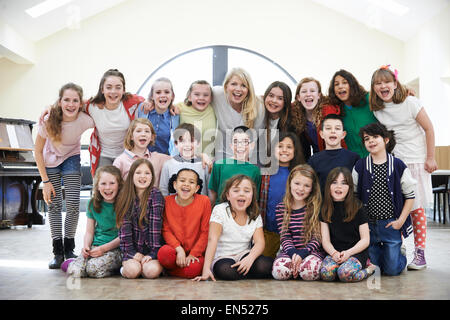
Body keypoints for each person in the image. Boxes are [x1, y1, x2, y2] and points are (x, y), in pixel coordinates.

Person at [369, 65, 437, 270]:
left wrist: (431, 157)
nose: (383, 86)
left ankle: (421, 253)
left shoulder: (410, 102)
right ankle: (399, 247)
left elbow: (429, 128)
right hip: (393, 163)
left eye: (387, 81)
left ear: (395, 83)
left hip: (416, 160)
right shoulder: (376, 107)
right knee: (396, 209)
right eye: (378, 83)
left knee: (416, 209)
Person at [34, 83, 95, 269]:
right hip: (50, 160)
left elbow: (100, 110)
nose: (70, 104)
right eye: (66, 100)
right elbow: (37, 151)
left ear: (80, 102)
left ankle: (69, 248)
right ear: (59, 102)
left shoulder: (85, 119)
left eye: (75, 100)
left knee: (74, 205)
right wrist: (45, 181)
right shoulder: (49, 120)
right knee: (54, 205)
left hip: (71, 158)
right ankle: (57, 252)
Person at [352, 123, 416, 276]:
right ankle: (383, 255)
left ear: (386, 140)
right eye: (367, 139)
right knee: (375, 269)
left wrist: (400, 221)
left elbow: (410, 196)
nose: (371, 141)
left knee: (392, 270)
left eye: (375, 137)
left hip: (390, 224)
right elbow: (353, 195)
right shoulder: (360, 166)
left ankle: (399, 253)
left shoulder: (398, 165)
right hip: (369, 226)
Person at [193, 175, 274, 281]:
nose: (241, 193)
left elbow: (260, 242)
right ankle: (247, 272)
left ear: (252, 195)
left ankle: (244, 269)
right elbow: (212, 240)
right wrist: (206, 269)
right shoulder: (220, 210)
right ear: (228, 195)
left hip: (244, 254)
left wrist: (250, 258)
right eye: (236, 190)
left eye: (247, 191)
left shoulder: (255, 214)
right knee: (225, 270)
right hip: (223, 257)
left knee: (266, 265)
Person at [65, 166, 123, 278]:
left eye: (112, 183)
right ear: (97, 186)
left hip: (115, 249)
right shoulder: (92, 203)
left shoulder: (123, 204)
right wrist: (86, 246)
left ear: (119, 185)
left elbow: (123, 236)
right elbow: (89, 232)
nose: (108, 188)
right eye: (103, 184)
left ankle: (112, 268)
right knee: (74, 271)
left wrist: (103, 249)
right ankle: (79, 264)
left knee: (92, 269)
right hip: (95, 246)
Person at [319, 167, 375, 282]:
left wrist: (349, 253)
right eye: (334, 182)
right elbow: (326, 240)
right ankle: (340, 267)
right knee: (326, 274)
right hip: (335, 252)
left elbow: (365, 240)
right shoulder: (325, 208)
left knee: (344, 274)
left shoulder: (358, 207)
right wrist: (334, 253)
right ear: (328, 186)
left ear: (349, 187)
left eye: (344, 183)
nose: (339, 186)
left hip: (356, 252)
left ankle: (369, 269)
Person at [85, 69, 146, 176]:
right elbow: (72, 104)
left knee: (127, 189)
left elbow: (148, 101)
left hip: (126, 154)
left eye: (118, 87)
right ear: (102, 89)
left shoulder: (130, 103)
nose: (113, 91)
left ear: (123, 90)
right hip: (104, 155)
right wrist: (50, 108)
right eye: (109, 87)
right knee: (102, 185)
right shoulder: (93, 106)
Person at [272, 164, 325, 281]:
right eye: (297, 183)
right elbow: (285, 236)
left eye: (306, 186)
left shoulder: (315, 207)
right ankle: (296, 267)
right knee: (279, 272)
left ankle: (300, 268)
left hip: (311, 251)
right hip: (290, 251)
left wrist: (302, 254)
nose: (301, 189)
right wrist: (293, 254)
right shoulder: (281, 208)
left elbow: (317, 238)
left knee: (309, 272)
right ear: (290, 183)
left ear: (312, 188)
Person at [115, 159, 164, 279]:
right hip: (132, 250)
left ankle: (145, 268)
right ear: (131, 175)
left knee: (151, 272)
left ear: (152, 176)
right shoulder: (124, 196)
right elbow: (124, 232)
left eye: (147, 173)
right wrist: (133, 254)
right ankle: (127, 269)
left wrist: (152, 254)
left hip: (152, 250)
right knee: (132, 271)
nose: (143, 176)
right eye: (138, 173)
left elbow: (155, 230)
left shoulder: (156, 195)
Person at [158, 169, 212, 278]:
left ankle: (170, 271)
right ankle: (177, 267)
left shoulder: (204, 201)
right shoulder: (167, 201)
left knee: (193, 269)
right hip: (174, 250)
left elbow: (205, 232)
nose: (186, 184)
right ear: (175, 184)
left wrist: (193, 254)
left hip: (196, 252)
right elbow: (166, 230)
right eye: (182, 180)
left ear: (197, 188)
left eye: (191, 182)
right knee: (164, 253)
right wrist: (179, 250)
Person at [258, 132, 304, 258]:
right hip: (269, 231)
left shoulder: (300, 173)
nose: (284, 150)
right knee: (263, 265)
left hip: (294, 234)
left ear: (295, 150)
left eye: (289, 147)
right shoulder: (265, 174)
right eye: (280, 146)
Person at [211, 68, 265, 160]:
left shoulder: (258, 106)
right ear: (226, 86)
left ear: (249, 90)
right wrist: (179, 106)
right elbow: (197, 95)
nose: (238, 89)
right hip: (221, 155)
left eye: (243, 86)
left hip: (245, 157)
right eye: (233, 84)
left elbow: (254, 138)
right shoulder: (217, 94)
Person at [292, 77, 346, 160]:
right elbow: (284, 106)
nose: (308, 94)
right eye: (304, 91)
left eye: (312, 91)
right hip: (318, 157)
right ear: (298, 97)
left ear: (319, 96)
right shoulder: (298, 113)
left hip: (335, 155)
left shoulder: (328, 112)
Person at [327, 69, 378, 158]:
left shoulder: (368, 99)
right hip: (354, 161)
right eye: (336, 84)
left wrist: (404, 89)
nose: (340, 86)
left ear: (352, 85)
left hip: (378, 156)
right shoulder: (336, 110)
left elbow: (387, 97)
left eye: (344, 82)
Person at [208, 126, 261, 205]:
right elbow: (213, 193)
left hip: (244, 212)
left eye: (245, 141)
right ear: (231, 145)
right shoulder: (219, 165)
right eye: (236, 142)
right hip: (221, 212)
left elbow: (254, 198)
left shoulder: (255, 170)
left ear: (252, 145)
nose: (240, 145)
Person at [308, 114, 360, 192]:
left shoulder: (353, 158)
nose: (333, 131)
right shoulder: (314, 160)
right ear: (321, 134)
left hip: (348, 203)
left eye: (337, 128)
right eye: (328, 128)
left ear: (343, 134)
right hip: (323, 203)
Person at [113, 118, 171, 187]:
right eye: (138, 131)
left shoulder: (159, 158)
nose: (143, 134)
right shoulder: (121, 161)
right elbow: (114, 185)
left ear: (152, 137)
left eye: (147, 131)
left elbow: (180, 161)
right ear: (131, 136)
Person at [260, 81, 304, 169]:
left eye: (280, 98)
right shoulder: (258, 118)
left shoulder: (292, 126)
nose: (274, 101)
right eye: (271, 96)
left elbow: (299, 156)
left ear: (285, 103)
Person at [159, 123, 210, 196]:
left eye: (191, 141)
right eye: (182, 141)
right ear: (176, 144)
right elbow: (163, 190)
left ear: (198, 143)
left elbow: (209, 191)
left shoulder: (204, 164)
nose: (187, 145)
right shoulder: (168, 165)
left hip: (199, 206)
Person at [138, 77, 180, 155]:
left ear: (172, 96)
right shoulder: (143, 109)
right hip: (142, 157)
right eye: (158, 92)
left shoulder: (174, 115)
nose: (162, 95)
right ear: (152, 96)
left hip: (164, 158)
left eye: (167, 92)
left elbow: (177, 140)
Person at [176, 80, 217, 157]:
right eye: (197, 94)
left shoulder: (213, 109)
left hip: (209, 161)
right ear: (189, 97)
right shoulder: (180, 108)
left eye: (206, 95)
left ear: (211, 98)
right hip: (186, 160)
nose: (201, 98)